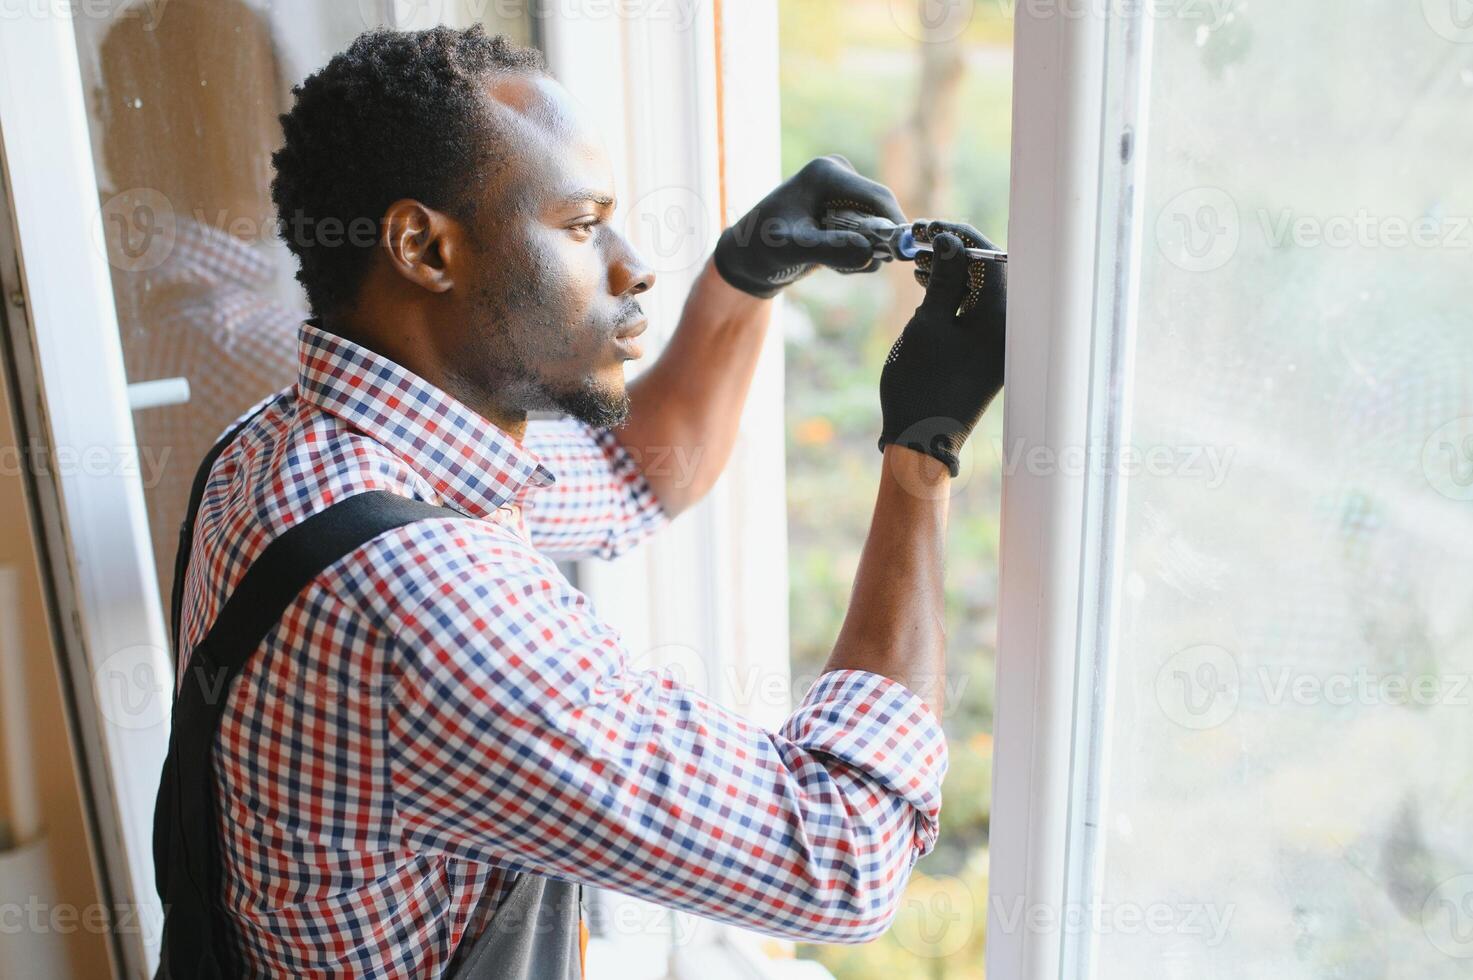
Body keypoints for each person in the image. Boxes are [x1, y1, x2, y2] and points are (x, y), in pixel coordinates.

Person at [163, 24, 1006, 978]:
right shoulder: (429, 600)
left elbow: (636, 480)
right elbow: (843, 857)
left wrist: (741, 278)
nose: (633, 262)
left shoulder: (284, 447)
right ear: (422, 248)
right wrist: (920, 454)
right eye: (580, 225)